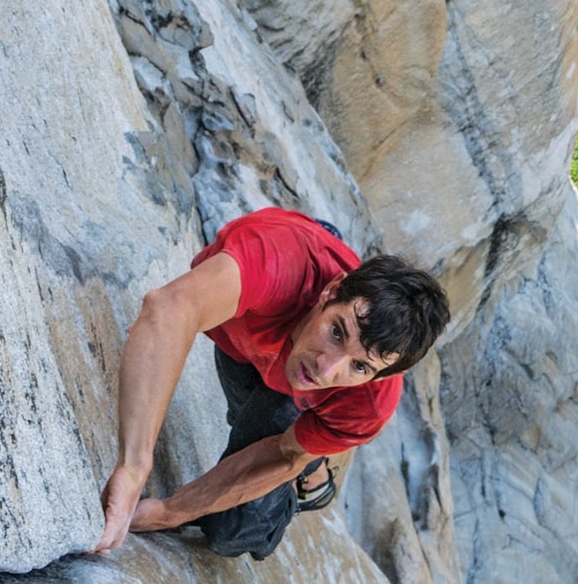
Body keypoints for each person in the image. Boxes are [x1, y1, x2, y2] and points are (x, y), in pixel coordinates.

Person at [91, 207, 450, 559]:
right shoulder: (279, 263)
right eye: (337, 332)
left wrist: (169, 513)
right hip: (270, 313)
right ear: (331, 290)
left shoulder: (369, 401)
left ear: (379, 376)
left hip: (298, 391)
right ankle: (325, 242)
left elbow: (284, 454)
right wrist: (133, 467)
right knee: (249, 406)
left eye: (359, 366)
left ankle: (311, 473)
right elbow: (170, 308)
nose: (327, 368)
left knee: (231, 531)